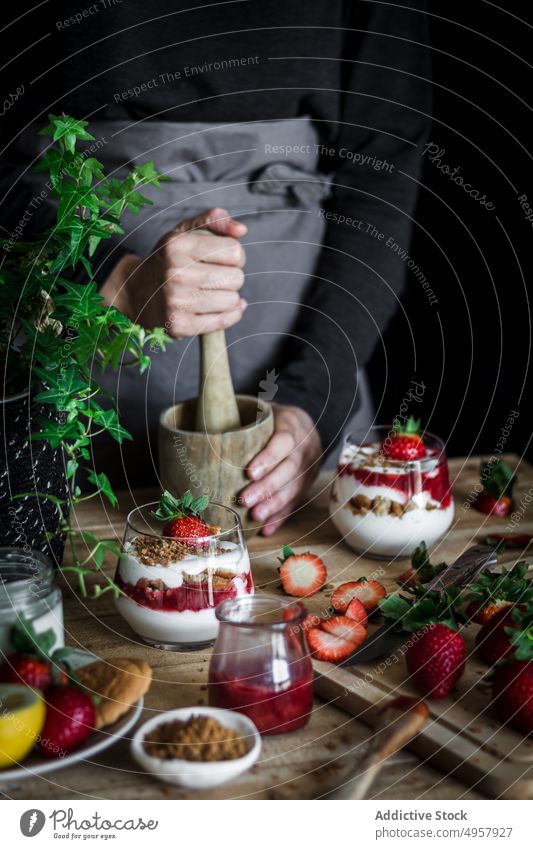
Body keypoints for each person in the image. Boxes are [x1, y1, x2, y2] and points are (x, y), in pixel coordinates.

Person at [0, 0, 431, 534]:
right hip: (68, 355)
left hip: (303, 352)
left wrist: (311, 401)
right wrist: (108, 277)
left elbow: (381, 174)